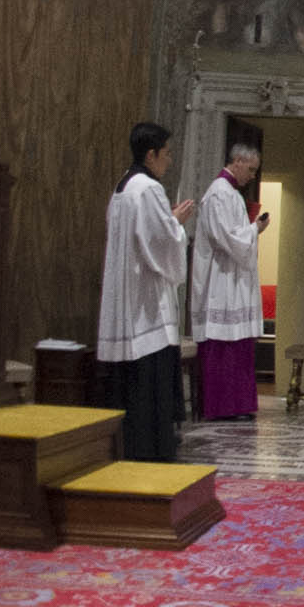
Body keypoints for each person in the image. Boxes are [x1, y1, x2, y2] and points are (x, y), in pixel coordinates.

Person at [97, 122, 195, 462]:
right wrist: (176, 224)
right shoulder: (149, 189)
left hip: (125, 297)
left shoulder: (123, 186)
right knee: (148, 385)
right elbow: (160, 244)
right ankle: (151, 450)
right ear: (151, 154)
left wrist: (167, 222)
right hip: (145, 305)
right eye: (166, 154)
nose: (169, 160)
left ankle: (127, 449)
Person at [191, 142, 266, 421]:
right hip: (220, 282)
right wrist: (255, 229)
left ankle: (238, 405)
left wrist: (252, 230)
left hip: (232, 280)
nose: (253, 176)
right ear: (237, 161)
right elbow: (228, 239)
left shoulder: (231, 193)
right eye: (251, 169)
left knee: (239, 344)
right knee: (224, 346)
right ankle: (222, 407)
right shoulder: (219, 193)